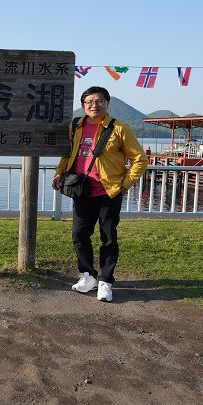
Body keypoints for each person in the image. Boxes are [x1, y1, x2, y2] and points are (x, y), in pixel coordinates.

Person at [51, 86, 148, 302]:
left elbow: (140, 159)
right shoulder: (76, 126)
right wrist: (59, 173)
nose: (94, 105)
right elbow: (68, 155)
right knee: (79, 235)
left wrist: (125, 185)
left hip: (109, 192)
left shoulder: (120, 129)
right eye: (89, 102)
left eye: (99, 101)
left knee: (109, 238)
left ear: (107, 103)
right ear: (83, 105)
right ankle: (87, 275)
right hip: (82, 191)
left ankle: (105, 281)